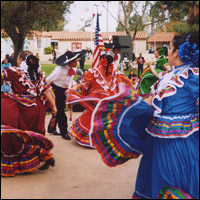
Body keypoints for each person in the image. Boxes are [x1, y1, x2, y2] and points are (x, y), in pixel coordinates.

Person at [90, 33, 199, 199]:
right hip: (158, 141)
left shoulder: (193, 76)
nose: (167, 53)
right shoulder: (168, 76)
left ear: (177, 52)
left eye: (169, 48)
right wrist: (121, 106)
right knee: (156, 180)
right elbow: (150, 100)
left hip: (180, 142)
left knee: (174, 180)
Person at [66, 54, 133, 148]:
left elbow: (85, 83)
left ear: (101, 61)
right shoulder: (115, 72)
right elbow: (120, 86)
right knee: (107, 119)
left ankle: (92, 138)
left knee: (92, 117)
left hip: (97, 100)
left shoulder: (95, 72)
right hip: (108, 101)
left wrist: (74, 89)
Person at [1, 52, 57, 135]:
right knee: (35, 133)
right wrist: (54, 107)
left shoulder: (15, 72)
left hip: (23, 108)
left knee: (23, 133)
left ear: (20, 60)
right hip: (38, 107)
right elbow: (46, 90)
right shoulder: (39, 74)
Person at [46, 50, 85, 140]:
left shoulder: (74, 68)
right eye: (73, 62)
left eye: (76, 61)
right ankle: (64, 131)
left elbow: (69, 79)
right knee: (61, 111)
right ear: (68, 62)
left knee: (59, 110)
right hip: (56, 89)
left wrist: (70, 89)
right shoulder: (59, 70)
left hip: (65, 89)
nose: (76, 63)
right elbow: (48, 80)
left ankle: (51, 128)